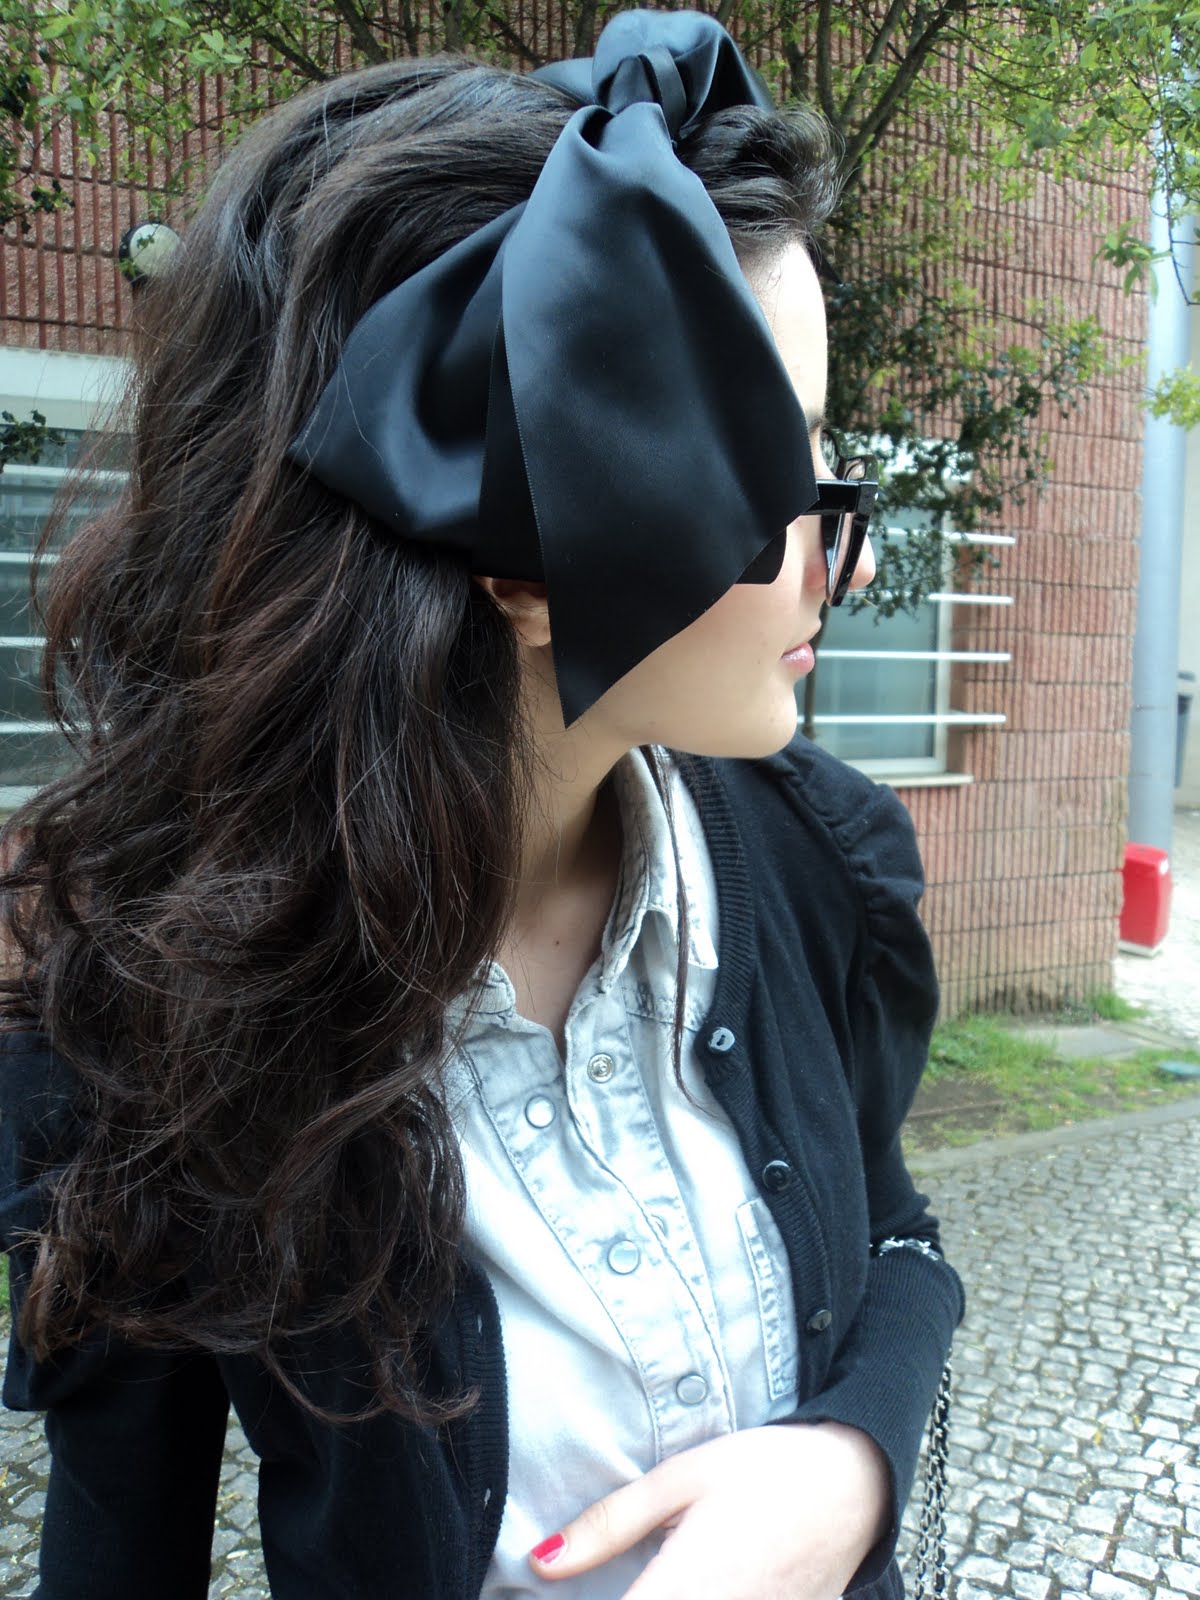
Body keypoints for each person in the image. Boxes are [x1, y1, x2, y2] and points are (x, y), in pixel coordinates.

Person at [0, 10, 965, 1598]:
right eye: (773, 478)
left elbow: (902, 1234)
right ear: (521, 562)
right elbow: (117, 1549)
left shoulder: (820, 860)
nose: (837, 557)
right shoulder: (154, 1018)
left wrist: (848, 1461)